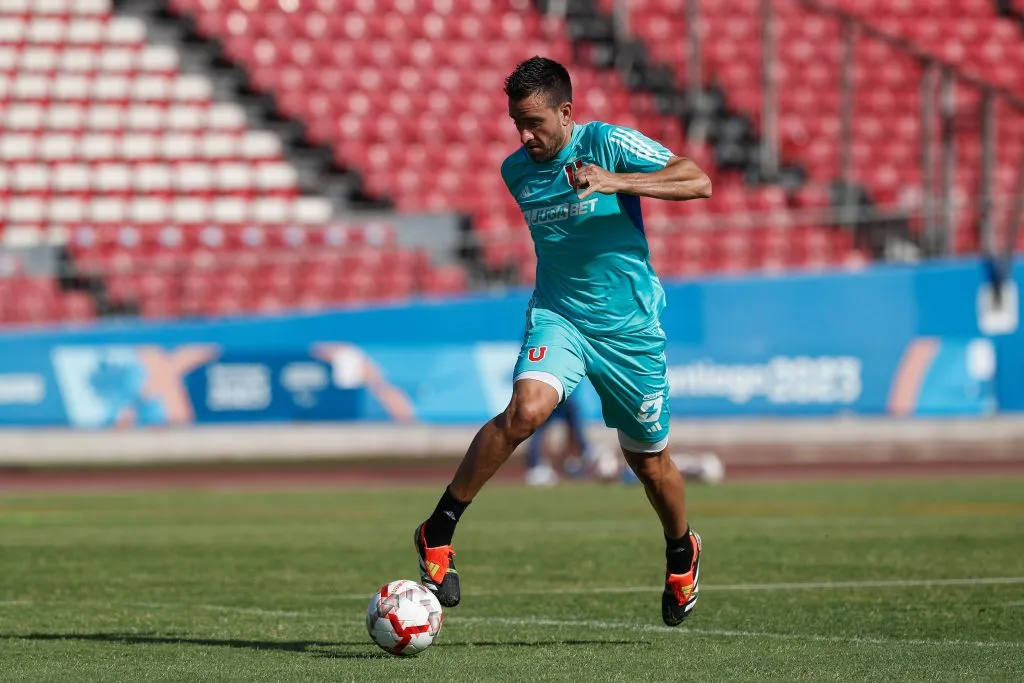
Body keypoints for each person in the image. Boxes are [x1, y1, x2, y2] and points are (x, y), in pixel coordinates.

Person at [413, 56, 712, 627]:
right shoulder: (515, 171)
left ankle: (682, 551)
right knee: (524, 412)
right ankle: (438, 528)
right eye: (516, 123)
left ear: (566, 113)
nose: (525, 136)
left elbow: (698, 179)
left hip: (629, 331)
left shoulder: (607, 143)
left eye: (535, 122)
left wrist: (616, 180)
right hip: (560, 317)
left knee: (649, 464)